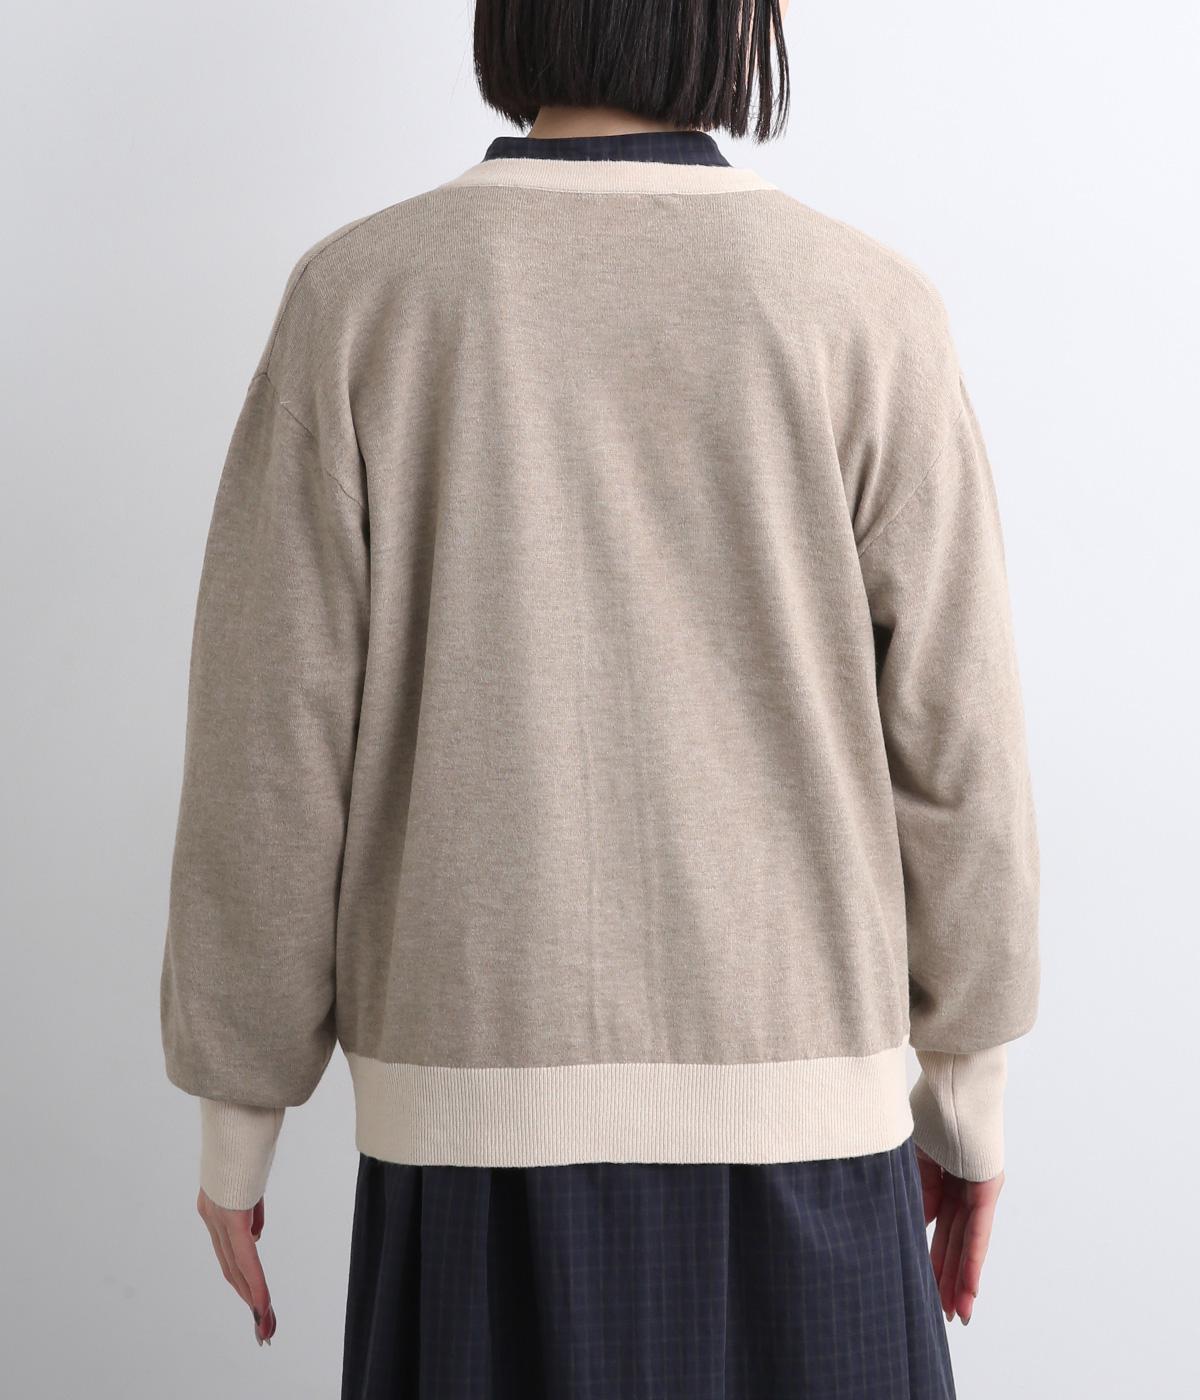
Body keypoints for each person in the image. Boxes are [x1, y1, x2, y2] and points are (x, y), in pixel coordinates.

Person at [159, 1, 1040, 1395]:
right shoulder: (867, 306)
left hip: (473, 1127)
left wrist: (239, 1117)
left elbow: (270, 748)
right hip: (808, 1123)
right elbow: (961, 744)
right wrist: (968, 1097)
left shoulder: (363, 299)